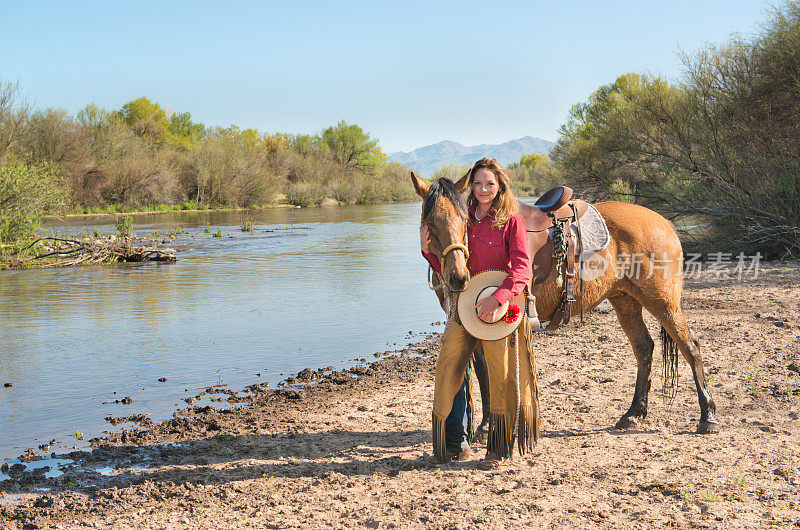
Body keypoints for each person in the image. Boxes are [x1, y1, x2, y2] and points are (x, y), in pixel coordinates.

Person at [421, 157, 539, 469]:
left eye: (489, 183)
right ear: (470, 186)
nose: (483, 189)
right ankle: (454, 443)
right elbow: (453, 265)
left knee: (500, 375)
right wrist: (427, 252)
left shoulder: (510, 219)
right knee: (449, 365)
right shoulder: (465, 217)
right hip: (467, 300)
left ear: (500, 186)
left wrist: (499, 298)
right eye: (478, 183)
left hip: (502, 304)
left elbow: (522, 266)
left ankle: (498, 450)